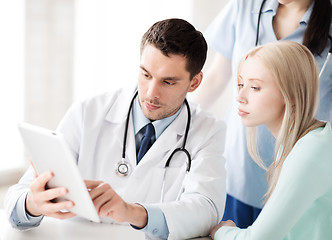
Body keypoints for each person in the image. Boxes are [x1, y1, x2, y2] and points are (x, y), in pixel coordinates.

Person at [5, 18, 227, 240]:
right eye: (145, 74)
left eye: (168, 82)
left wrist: (133, 212)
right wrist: (31, 204)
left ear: (195, 82)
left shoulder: (208, 131)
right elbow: (18, 197)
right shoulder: (88, 113)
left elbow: (206, 209)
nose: (151, 93)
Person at [192, 0, 332, 228]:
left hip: (300, 172)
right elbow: (215, 78)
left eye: (255, 87)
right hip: (240, 172)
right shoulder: (245, 6)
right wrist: (176, 124)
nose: (240, 96)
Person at [210, 41, 332, 240]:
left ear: (291, 93)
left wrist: (221, 231)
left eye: (255, 87)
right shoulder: (305, 142)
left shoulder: (310, 154)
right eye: (241, 84)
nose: (240, 96)